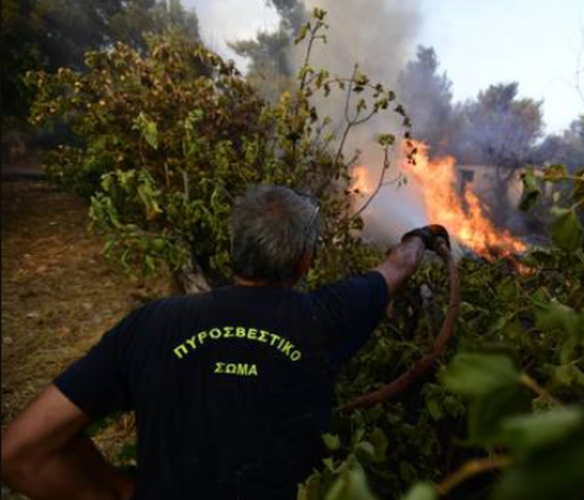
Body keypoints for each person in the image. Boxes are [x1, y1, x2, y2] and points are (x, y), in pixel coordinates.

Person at [1, 184, 450, 500]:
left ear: (232, 247)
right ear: (304, 260)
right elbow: (398, 266)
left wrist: (116, 490)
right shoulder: (326, 317)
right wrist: (422, 235)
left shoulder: (151, 325)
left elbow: (20, 452)